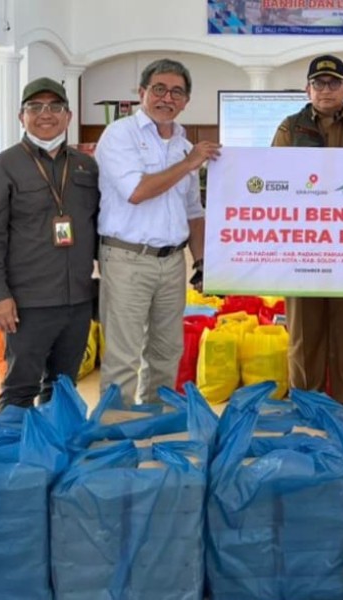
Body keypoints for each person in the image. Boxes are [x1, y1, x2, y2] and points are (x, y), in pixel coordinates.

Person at [95, 59, 219, 405]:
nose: (167, 98)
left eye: (177, 92)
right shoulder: (121, 134)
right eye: (159, 89)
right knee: (124, 357)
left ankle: (154, 424)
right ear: (142, 93)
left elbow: (194, 212)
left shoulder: (182, 144)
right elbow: (136, 191)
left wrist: (202, 263)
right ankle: (113, 436)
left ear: (186, 101)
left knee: (167, 353)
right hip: (127, 259)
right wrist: (190, 163)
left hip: (172, 262)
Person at [0, 77, 100, 409]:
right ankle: (18, 455)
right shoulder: (2, 167)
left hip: (77, 299)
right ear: (21, 116)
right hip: (27, 301)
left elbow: (99, 226)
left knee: (64, 387)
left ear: (68, 116)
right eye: (35, 107)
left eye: (55, 107)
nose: (46, 114)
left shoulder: (85, 166)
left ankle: (55, 453)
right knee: (20, 388)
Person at [270, 54, 343, 409]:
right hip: (303, 251)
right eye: (318, 83)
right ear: (308, 89)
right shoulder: (289, 128)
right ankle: (307, 410)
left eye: (334, 83)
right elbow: (274, 180)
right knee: (305, 338)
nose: (326, 89)